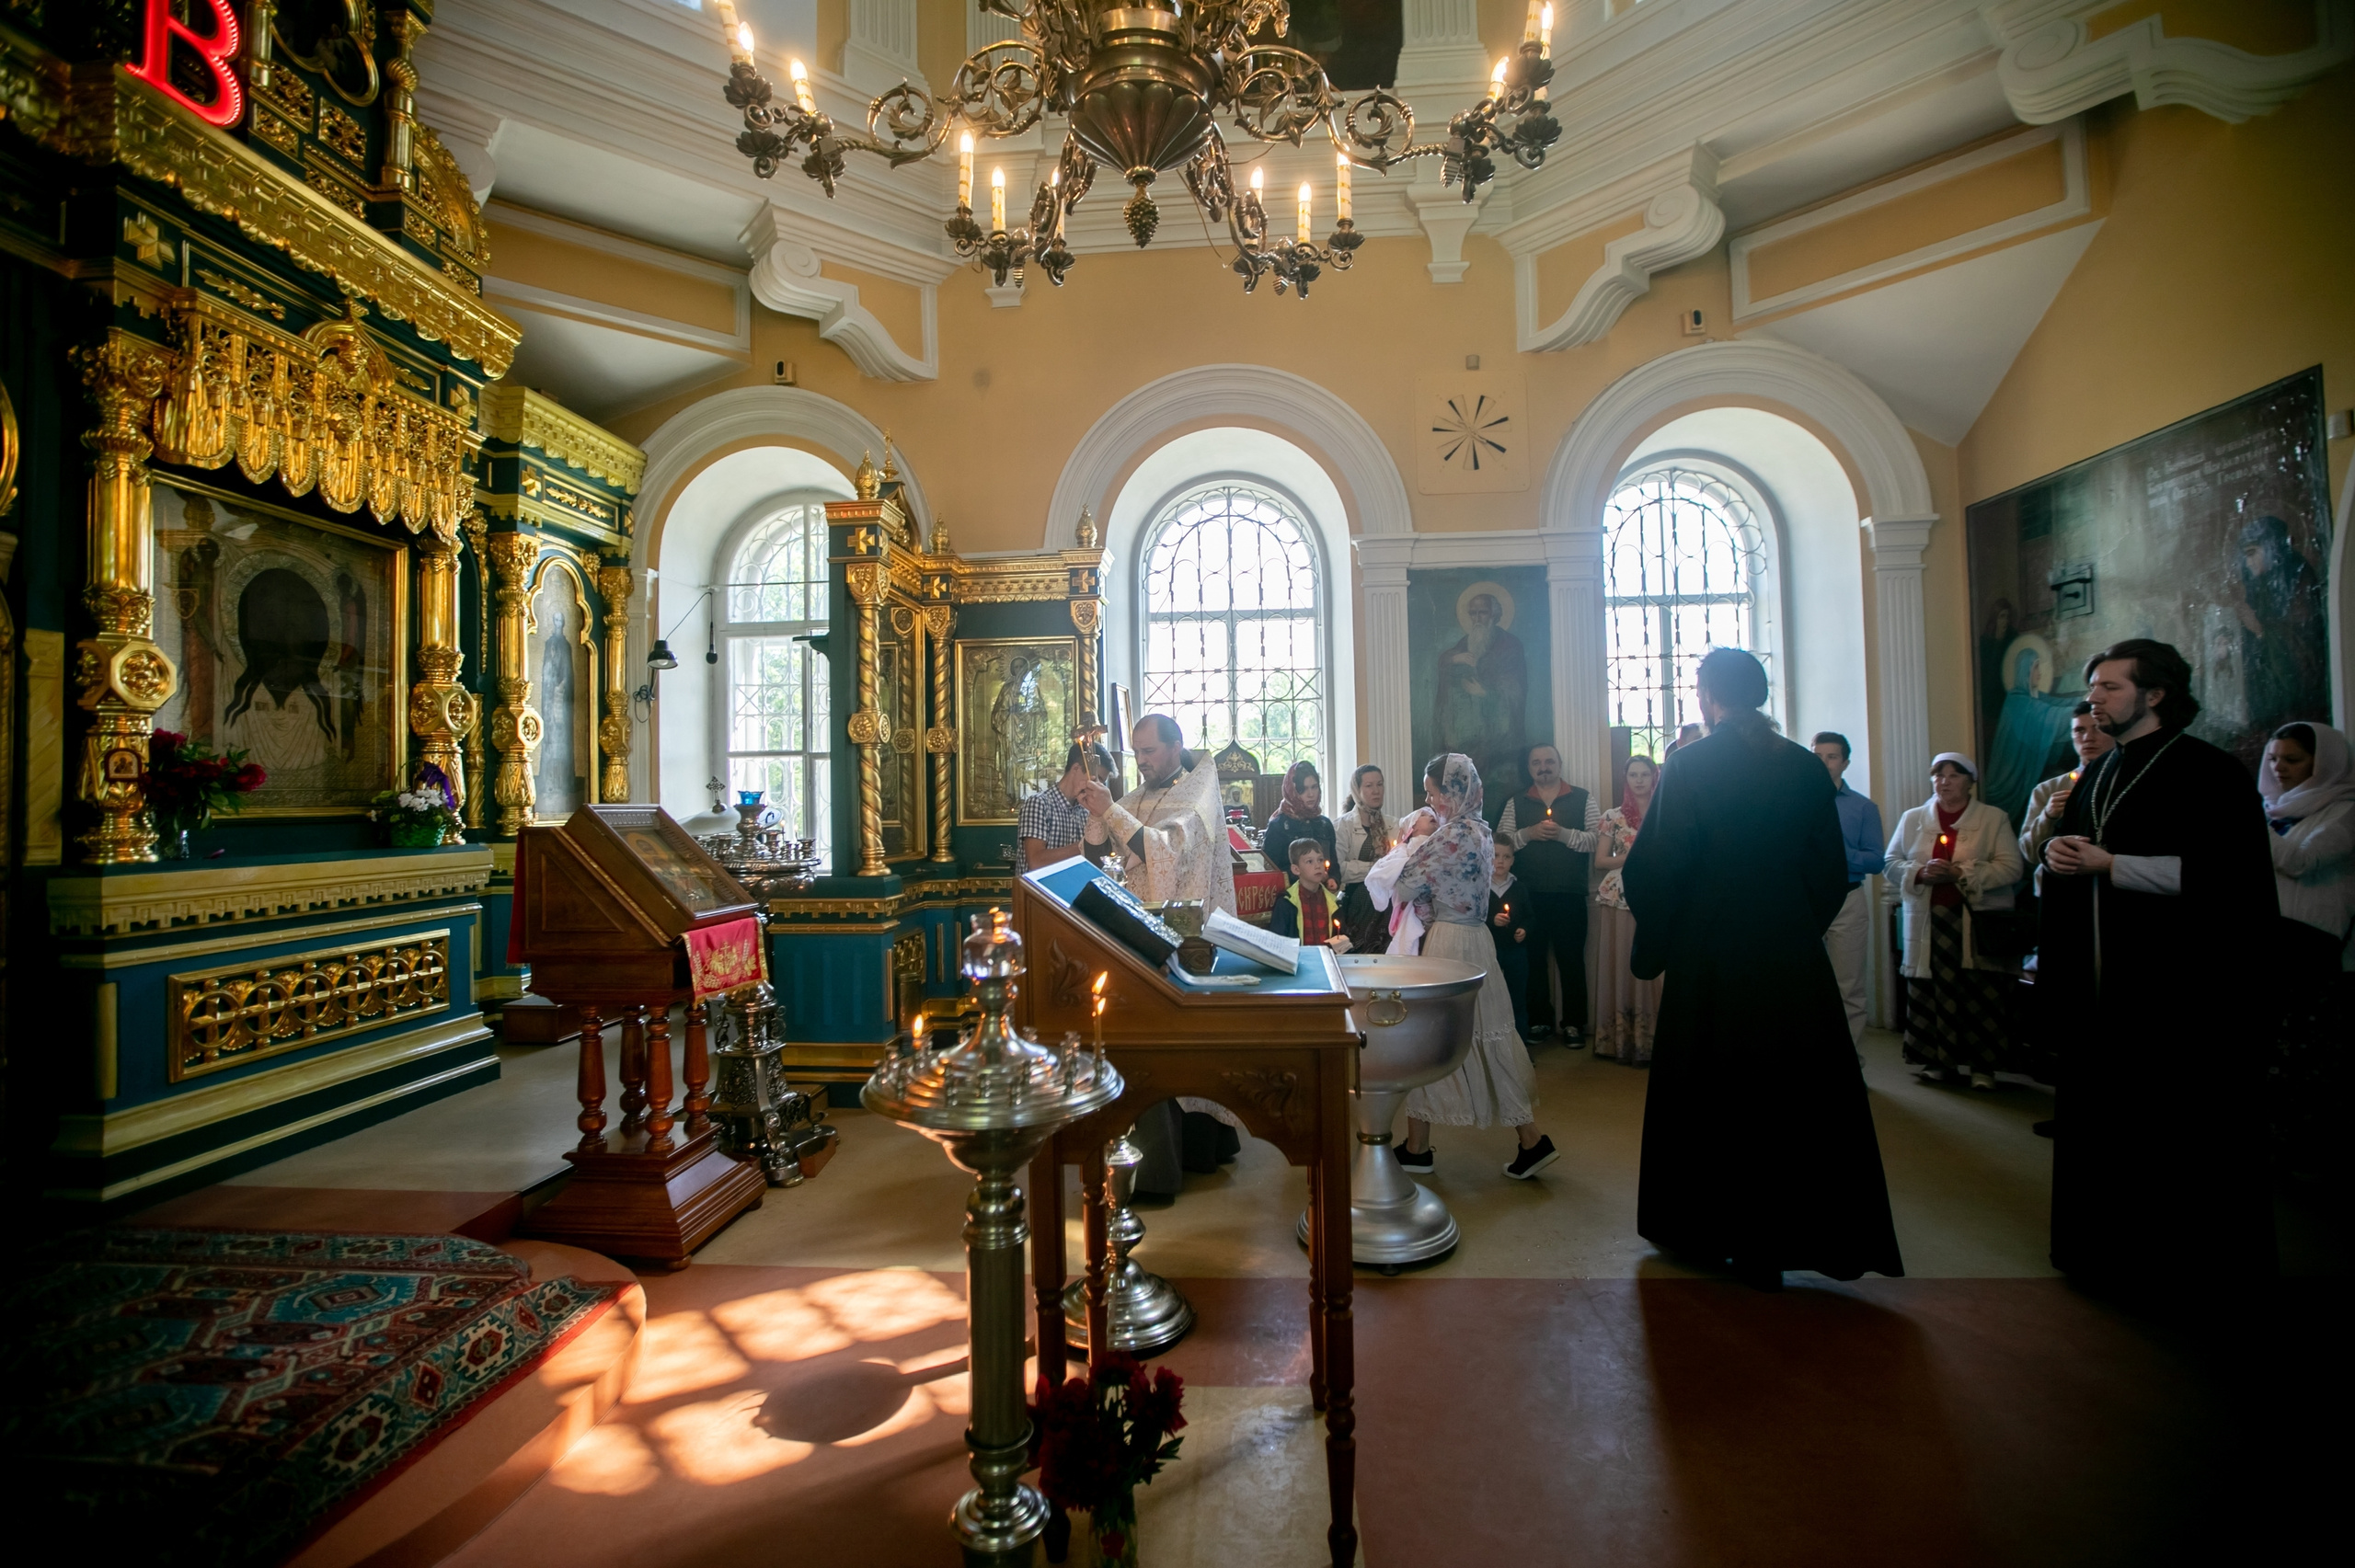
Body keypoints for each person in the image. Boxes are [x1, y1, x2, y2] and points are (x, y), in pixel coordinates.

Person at [1622, 647, 1903, 1289]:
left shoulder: (1690, 765)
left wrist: (1664, 939)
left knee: (1714, 1090)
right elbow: (1830, 870)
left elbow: (1656, 866)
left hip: (1709, 957)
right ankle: (1790, 1231)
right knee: (1790, 1090)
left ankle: (1709, 1226)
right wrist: (1789, 925)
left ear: (1709, 697)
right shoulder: (1806, 768)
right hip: (1787, 958)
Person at [2039, 639, 2278, 1287]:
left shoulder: (2210, 773)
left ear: (2157, 694)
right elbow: (2077, 855)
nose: (2095, 699)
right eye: (2093, 689)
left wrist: (2112, 865)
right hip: (2101, 991)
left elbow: (2230, 880)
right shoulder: (2099, 771)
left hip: (2178, 994)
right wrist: (2056, 856)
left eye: (2111, 688)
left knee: (2172, 1136)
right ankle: (2099, 1250)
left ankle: (2173, 1264)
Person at [1371, 754, 1558, 1181]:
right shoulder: (1482, 830)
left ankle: (1420, 1149)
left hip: (1448, 943)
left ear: (1451, 791)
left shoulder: (1450, 835)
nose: (1428, 798)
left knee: (1433, 1042)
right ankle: (1531, 1140)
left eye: (1433, 791)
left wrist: (1406, 846)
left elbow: (1403, 885)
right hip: (1478, 939)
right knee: (1489, 1032)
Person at [1885, 753, 2025, 1091]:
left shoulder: (1993, 818)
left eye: (1954, 775)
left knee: (1980, 992)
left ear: (1970, 782)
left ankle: (1983, 1067)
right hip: (1930, 920)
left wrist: (1961, 872)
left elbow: (2011, 867)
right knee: (1934, 990)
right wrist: (1920, 871)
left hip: (1974, 920)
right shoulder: (1914, 817)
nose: (1944, 781)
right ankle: (1939, 1060)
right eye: (1938, 775)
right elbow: (1891, 861)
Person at [2259, 722, 2354, 1178]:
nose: (2279, 769)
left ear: (2324, 763)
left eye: (2292, 760)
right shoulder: (2268, 808)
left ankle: (2302, 1160)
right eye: (2274, 759)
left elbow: (2303, 861)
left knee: (2300, 1058)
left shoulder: (2346, 810)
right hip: (2266, 941)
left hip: (2311, 945)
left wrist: (2243, 823)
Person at [1081, 714, 1236, 916]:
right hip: (1126, 920)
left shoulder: (1195, 801)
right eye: (1136, 752)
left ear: (1175, 747)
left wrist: (1110, 810)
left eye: (1148, 751)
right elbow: (1098, 862)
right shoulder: (1131, 801)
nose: (1140, 760)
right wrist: (1097, 814)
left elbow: (1168, 851)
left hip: (1177, 926)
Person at [1495, 743, 1598, 1045]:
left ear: (1559, 764)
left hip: (1570, 894)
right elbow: (1502, 842)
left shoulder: (1583, 798)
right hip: (1529, 896)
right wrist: (1528, 834)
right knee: (1533, 960)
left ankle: (1574, 1024)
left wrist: (1565, 835)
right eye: (1537, 763)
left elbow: (1597, 839)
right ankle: (1539, 1020)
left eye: (1549, 761)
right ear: (1529, 769)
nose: (1544, 767)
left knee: (1571, 960)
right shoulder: (1517, 802)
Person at [1591, 755, 1665, 1064]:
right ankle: (1618, 1040)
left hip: (1658, 894)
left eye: (1644, 774)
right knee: (1622, 963)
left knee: (1656, 965)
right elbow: (1600, 861)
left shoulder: (1666, 812)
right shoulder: (1613, 816)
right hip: (1619, 895)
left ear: (1654, 777)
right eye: (1633, 774)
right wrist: (1632, 857)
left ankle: (1654, 1038)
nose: (1638, 780)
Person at [1813, 731, 1885, 1050]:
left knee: (1848, 986)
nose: (1825, 763)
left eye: (1831, 757)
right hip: (1807, 900)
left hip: (1847, 897)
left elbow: (1876, 860)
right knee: (1806, 985)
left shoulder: (1863, 808)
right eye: (1818, 756)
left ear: (1845, 763)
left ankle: (1850, 1066)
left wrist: (1841, 853)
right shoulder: (1795, 803)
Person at [2019, 703, 2115, 869]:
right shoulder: (2047, 790)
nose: (2088, 738)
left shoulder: (2125, 782)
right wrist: (2047, 817)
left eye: (2097, 728)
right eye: (2079, 730)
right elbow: (2030, 854)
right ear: (2071, 735)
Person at [1018, 742, 1115, 870]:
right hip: (1038, 890)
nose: (1100, 786)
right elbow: (1036, 862)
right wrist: (1087, 844)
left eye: (1102, 782)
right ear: (1076, 768)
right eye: (1097, 778)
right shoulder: (1039, 804)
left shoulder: (1086, 811)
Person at [1335, 764, 1396, 954]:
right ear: (1357, 790)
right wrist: (1376, 869)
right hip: (1357, 902)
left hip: (1390, 903)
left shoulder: (1394, 825)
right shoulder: (1342, 826)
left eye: (1380, 784)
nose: (1376, 791)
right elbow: (1339, 869)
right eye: (1369, 786)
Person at [1269, 839, 1354, 952]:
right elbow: (1278, 942)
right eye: (1310, 861)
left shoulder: (1334, 903)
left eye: (1320, 860)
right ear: (1296, 869)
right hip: (1299, 963)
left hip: (1326, 962)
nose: (1318, 866)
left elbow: (1341, 936)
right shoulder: (1287, 903)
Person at [1260, 761, 1338, 883]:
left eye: (1314, 787)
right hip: (1291, 896)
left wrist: (1333, 879)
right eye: (1303, 789)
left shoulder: (1325, 824)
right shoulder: (1278, 825)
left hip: (1323, 893)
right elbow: (1271, 869)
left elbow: (1333, 864)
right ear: (1293, 791)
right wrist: (1306, 876)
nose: (1311, 794)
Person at [1489, 839, 1532, 1039]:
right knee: (1490, 998)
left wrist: (1524, 929)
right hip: (1491, 952)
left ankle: (1520, 1045)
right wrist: (1492, 920)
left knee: (1517, 998)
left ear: (1513, 860)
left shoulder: (1519, 888)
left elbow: (1530, 917)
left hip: (1515, 952)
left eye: (1506, 857)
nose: (1500, 861)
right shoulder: (1482, 887)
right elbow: (1475, 917)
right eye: (1495, 855)